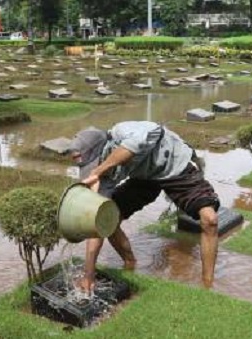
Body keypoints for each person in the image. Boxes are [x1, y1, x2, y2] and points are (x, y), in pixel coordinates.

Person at [68, 121, 220, 291]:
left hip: (175, 167)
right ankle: (130, 262)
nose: (95, 168)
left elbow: (133, 145)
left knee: (210, 220)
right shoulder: (102, 177)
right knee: (108, 220)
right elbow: (97, 223)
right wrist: (89, 275)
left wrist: (98, 170)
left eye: (97, 161)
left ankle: (208, 284)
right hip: (144, 177)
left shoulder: (123, 131)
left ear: (105, 148)